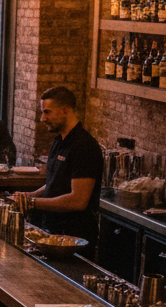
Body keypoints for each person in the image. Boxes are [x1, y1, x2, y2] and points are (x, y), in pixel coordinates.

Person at [13, 86, 103, 246]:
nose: (42, 119)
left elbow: (78, 200)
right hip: (52, 230)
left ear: (64, 111)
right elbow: (56, 182)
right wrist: (30, 195)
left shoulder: (84, 146)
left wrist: (32, 203)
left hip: (73, 238)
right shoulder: (59, 140)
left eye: (47, 112)